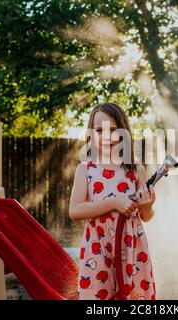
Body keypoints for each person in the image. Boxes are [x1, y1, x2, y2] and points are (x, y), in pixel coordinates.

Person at [69, 102, 157, 300]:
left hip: (132, 249)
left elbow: (146, 216)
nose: (107, 136)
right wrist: (113, 203)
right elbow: (74, 211)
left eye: (113, 129)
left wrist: (148, 205)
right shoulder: (86, 170)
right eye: (100, 130)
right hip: (97, 249)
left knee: (132, 297)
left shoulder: (135, 171)